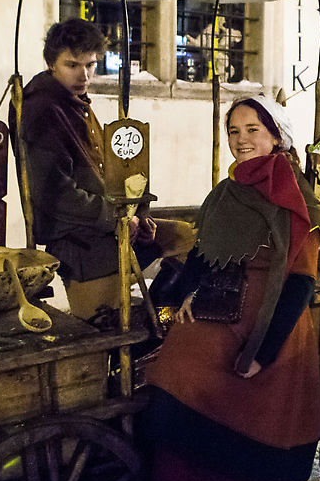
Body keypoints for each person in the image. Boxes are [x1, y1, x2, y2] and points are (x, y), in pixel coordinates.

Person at [143, 95, 320, 481]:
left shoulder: (297, 199)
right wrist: (185, 293)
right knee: (171, 380)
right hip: (219, 307)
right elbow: (203, 255)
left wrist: (262, 352)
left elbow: (300, 283)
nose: (241, 140)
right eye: (234, 131)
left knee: (258, 419)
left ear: (275, 135)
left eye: (252, 129)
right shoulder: (224, 193)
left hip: (271, 321)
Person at [11, 18, 193, 320]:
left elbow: (114, 169)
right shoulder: (41, 109)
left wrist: (139, 212)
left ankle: (163, 320)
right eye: (72, 65)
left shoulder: (74, 103)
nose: (83, 75)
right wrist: (119, 217)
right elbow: (54, 194)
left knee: (186, 238)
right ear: (50, 64)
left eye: (90, 65)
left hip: (110, 230)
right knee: (101, 330)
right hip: (80, 244)